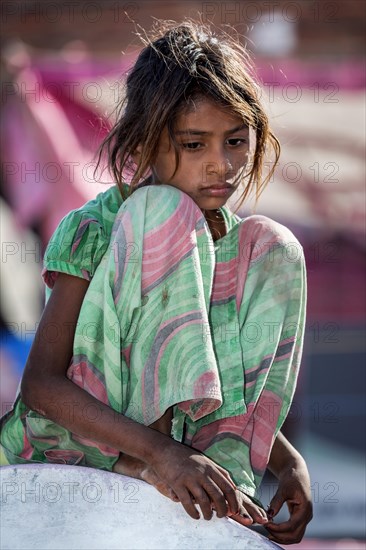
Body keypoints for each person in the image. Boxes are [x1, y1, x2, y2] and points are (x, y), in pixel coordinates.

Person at [0, 20, 312, 544]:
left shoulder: (239, 250)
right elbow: (41, 385)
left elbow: (208, 377)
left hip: (181, 456)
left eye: (236, 141)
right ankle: (150, 461)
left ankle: (223, 475)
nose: (222, 164)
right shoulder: (99, 226)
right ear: (145, 143)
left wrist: (287, 462)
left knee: (275, 244)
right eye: (194, 145)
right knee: (162, 210)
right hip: (72, 446)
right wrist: (158, 453)